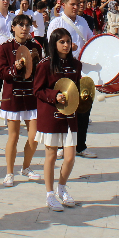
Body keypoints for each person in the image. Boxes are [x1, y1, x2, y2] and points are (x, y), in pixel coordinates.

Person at [34, 27, 81, 212]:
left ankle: (62, 187)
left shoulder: (76, 65)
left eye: (68, 41)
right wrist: (55, 96)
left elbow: (76, 88)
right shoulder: (45, 65)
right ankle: (49, 194)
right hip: (50, 115)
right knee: (51, 155)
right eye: (62, 42)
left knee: (70, 157)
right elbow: (37, 90)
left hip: (70, 116)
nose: (66, 45)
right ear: (54, 44)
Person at [47, 0, 96, 158]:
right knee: (64, 108)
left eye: (79, 4)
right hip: (62, 71)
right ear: (64, 5)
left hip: (81, 71)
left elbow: (91, 41)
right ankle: (62, 145)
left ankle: (80, 145)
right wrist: (67, 48)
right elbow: (51, 47)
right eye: (73, 4)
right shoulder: (56, 23)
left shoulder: (83, 21)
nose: (77, 7)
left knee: (83, 107)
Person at [0, 14, 43, 187]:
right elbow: (1, 73)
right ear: (13, 27)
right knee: (13, 136)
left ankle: (26, 167)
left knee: (35, 135)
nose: (24, 28)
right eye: (21, 25)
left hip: (31, 96)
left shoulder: (35, 46)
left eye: (27, 25)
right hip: (13, 96)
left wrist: (37, 61)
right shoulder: (5, 47)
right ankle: (9, 172)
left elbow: (41, 72)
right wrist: (14, 68)